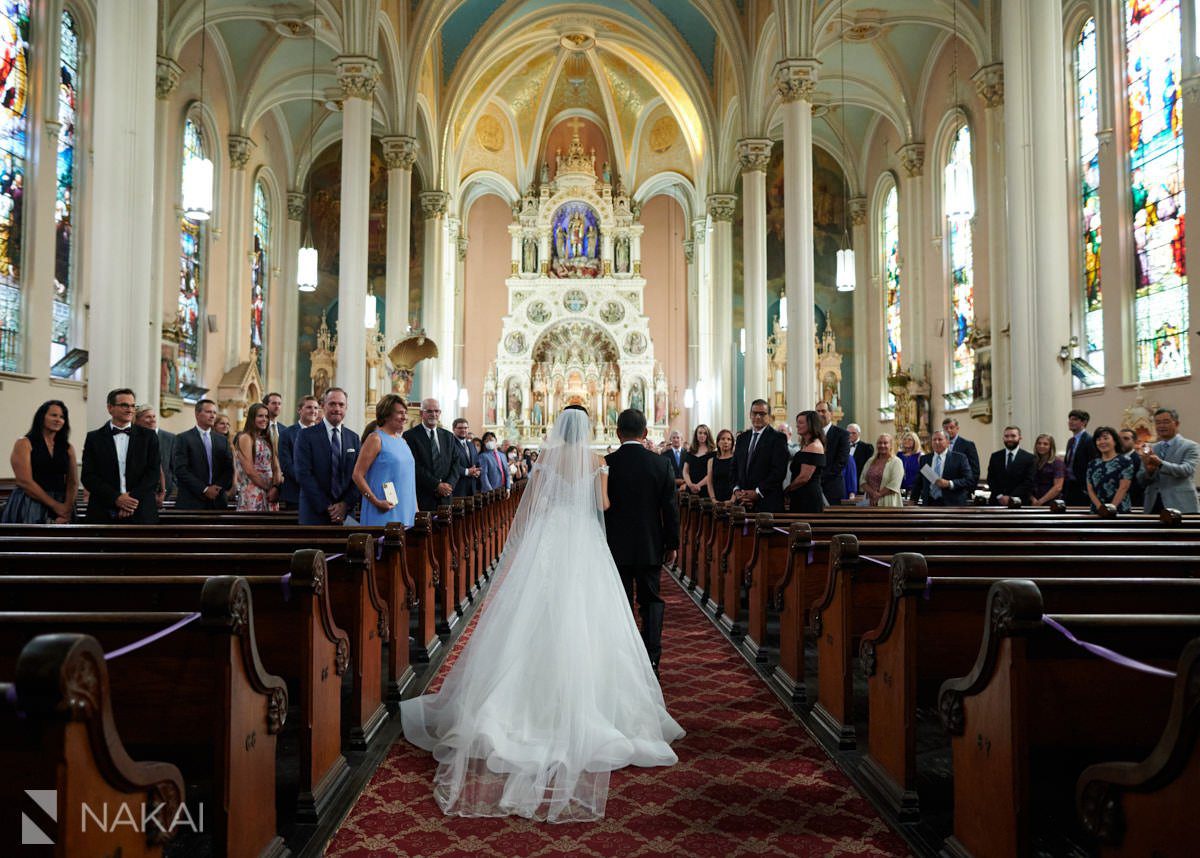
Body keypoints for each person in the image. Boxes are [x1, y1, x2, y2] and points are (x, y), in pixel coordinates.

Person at [400, 407, 683, 822]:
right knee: (590, 614)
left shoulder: (546, 459)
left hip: (549, 538)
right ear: (587, 429)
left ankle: (520, 697)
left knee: (536, 610)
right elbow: (603, 504)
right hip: (583, 539)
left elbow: (537, 501)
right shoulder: (597, 461)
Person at [81, 388, 161, 523]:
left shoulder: (149, 437)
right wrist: (116, 498)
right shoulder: (94, 438)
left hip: (141, 510)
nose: (130, 409)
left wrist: (130, 501)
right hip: (104, 510)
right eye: (124, 405)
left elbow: (153, 473)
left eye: (132, 406)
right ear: (110, 408)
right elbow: (88, 476)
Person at [2, 400, 76, 523]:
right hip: (30, 502)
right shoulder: (24, 443)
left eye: (62, 417)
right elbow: (24, 482)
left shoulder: (68, 447)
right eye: (53, 415)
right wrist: (56, 506)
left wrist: (67, 509)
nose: (58, 419)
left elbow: (72, 482)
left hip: (62, 504)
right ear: (41, 417)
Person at [295, 387, 360, 525]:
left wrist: (345, 504)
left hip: (346, 513)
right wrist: (328, 507)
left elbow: (359, 475)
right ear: (323, 406)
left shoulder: (353, 438)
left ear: (346, 407)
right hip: (315, 512)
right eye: (332, 404)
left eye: (341, 405)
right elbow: (303, 473)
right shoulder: (306, 435)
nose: (337, 408)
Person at [353, 394, 418, 527]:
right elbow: (357, 475)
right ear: (387, 414)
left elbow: (410, 479)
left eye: (405, 413)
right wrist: (376, 501)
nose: (405, 417)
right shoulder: (375, 439)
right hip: (382, 510)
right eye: (400, 413)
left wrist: (416, 509)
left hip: (407, 510)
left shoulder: (403, 441)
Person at [172, 398, 235, 510]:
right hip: (192, 501)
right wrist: (205, 489)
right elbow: (181, 470)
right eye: (208, 412)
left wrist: (217, 488)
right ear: (197, 414)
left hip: (217, 501)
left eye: (214, 412)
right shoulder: (183, 438)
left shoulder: (222, 440)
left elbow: (229, 468)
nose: (212, 416)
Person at [1137, 408, 1199, 514]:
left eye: (1166, 422)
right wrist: (1149, 472)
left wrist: (1160, 464)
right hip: (1153, 504)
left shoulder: (1190, 446)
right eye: (1158, 423)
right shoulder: (1151, 448)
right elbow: (1141, 480)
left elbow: (1186, 470)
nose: (1161, 426)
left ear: (1176, 423)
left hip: (1180, 505)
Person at [731, 399, 789, 512]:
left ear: (769, 416)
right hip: (742, 503)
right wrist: (737, 490)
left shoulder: (778, 438)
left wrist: (757, 492)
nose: (757, 417)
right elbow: (734, 467)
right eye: (754, 413)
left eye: (762, 414)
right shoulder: (742, 438)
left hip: (767, 502)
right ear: (750, 415)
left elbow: (779, 471)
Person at [404, 399, 459, 510]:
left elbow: (456, 462)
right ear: (421, 413)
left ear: (440, 413)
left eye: (436, 411)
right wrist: (436, 485)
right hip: (424, 495)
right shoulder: (410, 436)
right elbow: (415, 465)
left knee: (446, 527)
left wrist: (449, 485)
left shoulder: (448, 436)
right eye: (429, 411)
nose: (433, 414)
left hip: (446, 496)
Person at [234, 402, 283, 511]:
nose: (264, 419)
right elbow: (249, 470)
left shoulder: (267, 438)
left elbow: (276, 466)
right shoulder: (245, 437)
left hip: (271, 493)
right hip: (254, 490)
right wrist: (268, 488)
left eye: (266, 416)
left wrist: (276, 487)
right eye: (260, 416)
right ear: (252, 418)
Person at [279, 395, 322, 510]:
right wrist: (308, 482)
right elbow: (286, 465)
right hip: (295, 494)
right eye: (309, 407)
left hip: (321, 494)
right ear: (299, 410)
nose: (313, 411)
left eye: (316, 408)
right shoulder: (286, 434)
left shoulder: (324, 433)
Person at [917, 430, 972, 506]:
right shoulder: (925, 459)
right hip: (929, 503)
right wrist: (913, 499)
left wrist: (949, 483)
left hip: (952, 503)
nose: (936, 442)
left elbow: (968, 480)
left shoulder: (960, 458)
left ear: (948, 442)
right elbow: (918, 481)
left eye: (940, 439)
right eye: (934, 440)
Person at [784, 410, 825, 513]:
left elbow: (804, 477)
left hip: (808, 497)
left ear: (811, 424)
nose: (797, 425)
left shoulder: (814, 446)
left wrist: (787, 490)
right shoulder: (807, 445)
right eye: (797, 422)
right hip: (801, 494)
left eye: (801, 422)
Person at [985, 425, 1036, 506]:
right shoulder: (995, 456)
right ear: (1003, 438)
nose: (1009, 439)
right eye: (1006, 436)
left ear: (1020, 438)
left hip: (1020, 502)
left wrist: (1011, 497)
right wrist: (1000, 496)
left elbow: (1029, 481)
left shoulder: (1029, 458)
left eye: (1013, 436)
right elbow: (991, 478)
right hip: (997, 501)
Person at [1086, 426, 1133, 513]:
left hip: (1119, 509)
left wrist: (1111, 509)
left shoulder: (1125, 461)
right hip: (1097, 510)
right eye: (1098, 439)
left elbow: (1124, 487)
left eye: (1105, 438)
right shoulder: (1092, 464)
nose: (1102, 442)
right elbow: (1090, 489)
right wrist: (1100, 508)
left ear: (1115, 441)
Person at [135, 405, 175, 503]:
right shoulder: (133, 438)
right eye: (148, 417)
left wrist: (170, 487)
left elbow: (175, 467)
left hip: (166, 494)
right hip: (138, 495)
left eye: (154, 416)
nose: (152, 420)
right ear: (137, 420)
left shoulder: (170, 438)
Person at [815, 400, 849, 504]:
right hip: (813, 487)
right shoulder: (812, 434)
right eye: (818, 411)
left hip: (832, 486)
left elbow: (841, 462)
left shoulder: (842, 434)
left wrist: (820, 477)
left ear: (831, 413)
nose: (820, 414)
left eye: (823, 411)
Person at [1062, 409, 1096, 506]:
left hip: (1082, 486)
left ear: (1084, 422)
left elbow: (1092, 464)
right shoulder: (1070, 441)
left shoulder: (1089, 440)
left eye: (1075, 419)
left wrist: (1087, 487)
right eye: (1070, 419)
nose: (1070, 422)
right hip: (1069, 485)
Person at [860, 432, 904, 508]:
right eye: (879, 443)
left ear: (891, 445)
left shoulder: (896, 462)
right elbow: (862, 480)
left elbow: (895, 483)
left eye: (885, 443)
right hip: (869, 500)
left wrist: (879, 495)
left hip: (888, 501)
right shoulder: (870, 461)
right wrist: (873, 493)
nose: (882, 445)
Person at [942, 417, 980, 491]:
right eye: (946, 428)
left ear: (957, 428)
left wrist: (970, 490)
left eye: (951, 427)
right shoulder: (939, 445)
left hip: (961, 490)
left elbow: (975, 470)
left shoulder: (967, 445)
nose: (948, 430)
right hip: (943, 491)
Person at [1030, 434, 1066, 506]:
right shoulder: (1032, 461)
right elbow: (1026, 482)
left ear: (1051, 447)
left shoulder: (1057, 462)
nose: (1041, 446)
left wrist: (1040, 502)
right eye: (1039, 443)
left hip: (1051, 503)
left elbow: (1058, 487)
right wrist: (1032, 498)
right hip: (1032, 501)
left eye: (1045, 444)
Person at [450, 417, 482, 497]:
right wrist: (467, 471)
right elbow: (449, 465)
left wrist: (478, 472)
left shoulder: (471, 445)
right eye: (460, 428)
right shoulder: (450, 444)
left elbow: (477, 463)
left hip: (472, 487)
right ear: (454, 429)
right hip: (458, 488)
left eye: (465, 428)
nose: (463, 430)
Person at [681, 424, 714, 496]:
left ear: (708, 435)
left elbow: (711, 473)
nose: (702, 435)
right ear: (696, 435)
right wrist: (690, 485)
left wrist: (699, 485)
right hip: (690, 488)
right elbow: (685, 471)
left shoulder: (713, 452)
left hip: (706, 487)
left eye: (705, 433)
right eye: (700, 433)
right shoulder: (690, 451)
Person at [1118, 428, 1146, 511]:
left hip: (1132, 503)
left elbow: (1138, 485)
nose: (1121, 441)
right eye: (1119, 439)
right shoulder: (1115, 459)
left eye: (1126, 438)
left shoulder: (1138, 460)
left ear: (1134, 442)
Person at [707, 429, 735, 501]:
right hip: (716, 499)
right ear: (718, 442)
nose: (726, 442)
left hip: (732, 499)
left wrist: (732, 500)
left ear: (732, 443)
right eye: (723, 439)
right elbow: (709, 482)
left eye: (729, 439)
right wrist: (713, 500)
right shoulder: (711, 461)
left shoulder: (736, 459)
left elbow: (738, 482)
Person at [898, 431, 923, 496]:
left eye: (910, 439)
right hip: (899, 489)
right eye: (905, 439)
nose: (906, 441)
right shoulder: (898, 455)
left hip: (914, 490)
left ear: (915, 441)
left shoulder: (920, 456)